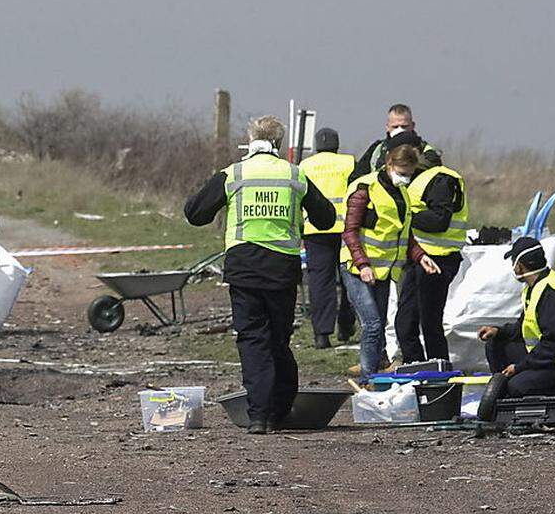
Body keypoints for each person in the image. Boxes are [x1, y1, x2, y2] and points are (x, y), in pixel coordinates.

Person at [184, 115, 336, 434]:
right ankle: (280, 409)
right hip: (282, 269)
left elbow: (194, 213)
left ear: (250, 140)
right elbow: (326, 218)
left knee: (253, 339)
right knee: (279, 339)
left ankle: (259, 416)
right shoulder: (295, 175)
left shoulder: (234, 173)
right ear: (278, 144)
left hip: (244, 268)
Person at [340, 144, 441, 381]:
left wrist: (420, 256)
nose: (405, 177)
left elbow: (404, 235)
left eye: (409, 173)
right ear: (389, 164)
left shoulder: (403, 196)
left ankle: (376, 371)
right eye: (402, 171)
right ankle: (368, 378)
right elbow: (350, 231)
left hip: (383, 271)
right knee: (373, 325)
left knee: (378, 326)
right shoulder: (365, 189)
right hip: (356, 268)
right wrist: (362, 264)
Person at [478, 237, 555, 406]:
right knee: (495, 344)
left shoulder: (554, 294)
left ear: (520, 265)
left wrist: (518, 368)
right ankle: (504, 398)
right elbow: (524, 326)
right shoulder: (535, 287)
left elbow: (552, 345)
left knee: (516, 387)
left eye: (513, 261)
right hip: (550, 359)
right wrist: (498, 331)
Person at [394, 160, 469, 363]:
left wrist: (405, 216)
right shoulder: (419, 181)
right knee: (405, 322)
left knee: (430, 322)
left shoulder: (440, 179)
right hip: (420, 258)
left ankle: (438, 372)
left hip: (438, 259)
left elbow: (439, 221)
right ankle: (414, 367)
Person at [298, 128, 357, 348]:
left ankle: (321, 335)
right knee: (350, 279)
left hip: (315, 230)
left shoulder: (305, 165)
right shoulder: (349, 162)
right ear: (337, 145)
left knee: (320, 282)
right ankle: (346, 325)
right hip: (346, 230)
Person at [349, 103, 443, 180]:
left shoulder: (426, 150)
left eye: (404, 126)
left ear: (412, 125)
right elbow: (357, 177)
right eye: (395, 127)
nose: (399, 130)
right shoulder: (377, 150)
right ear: (387, 127)